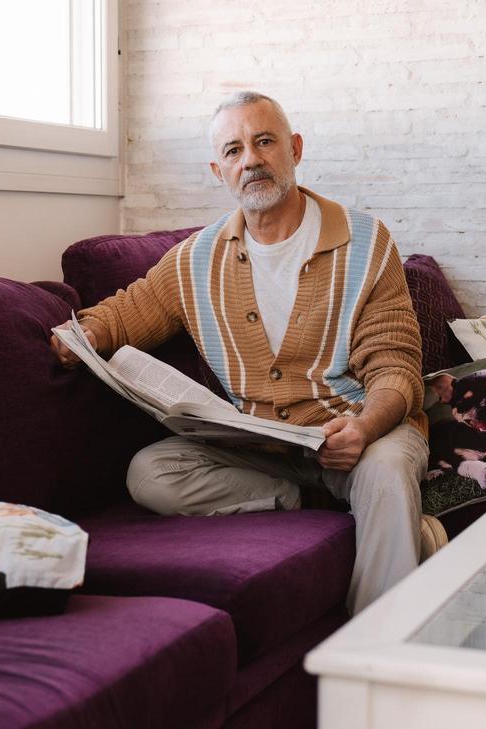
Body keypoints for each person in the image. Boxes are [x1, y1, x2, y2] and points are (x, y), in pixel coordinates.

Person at [50, 91, 436, 614]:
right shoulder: (195, 259)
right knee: (150, 472)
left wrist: (364, 428)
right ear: (219, 170)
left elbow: (395, 365)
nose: (250, 159)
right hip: (269, 454)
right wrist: (85, 335)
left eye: (264, 142)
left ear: (294, 149)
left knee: (387, 474)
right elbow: (130, 310)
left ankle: (378, 661)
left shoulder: (366, 241)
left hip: (362, 437)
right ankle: (328, 505)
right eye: (233, 151)